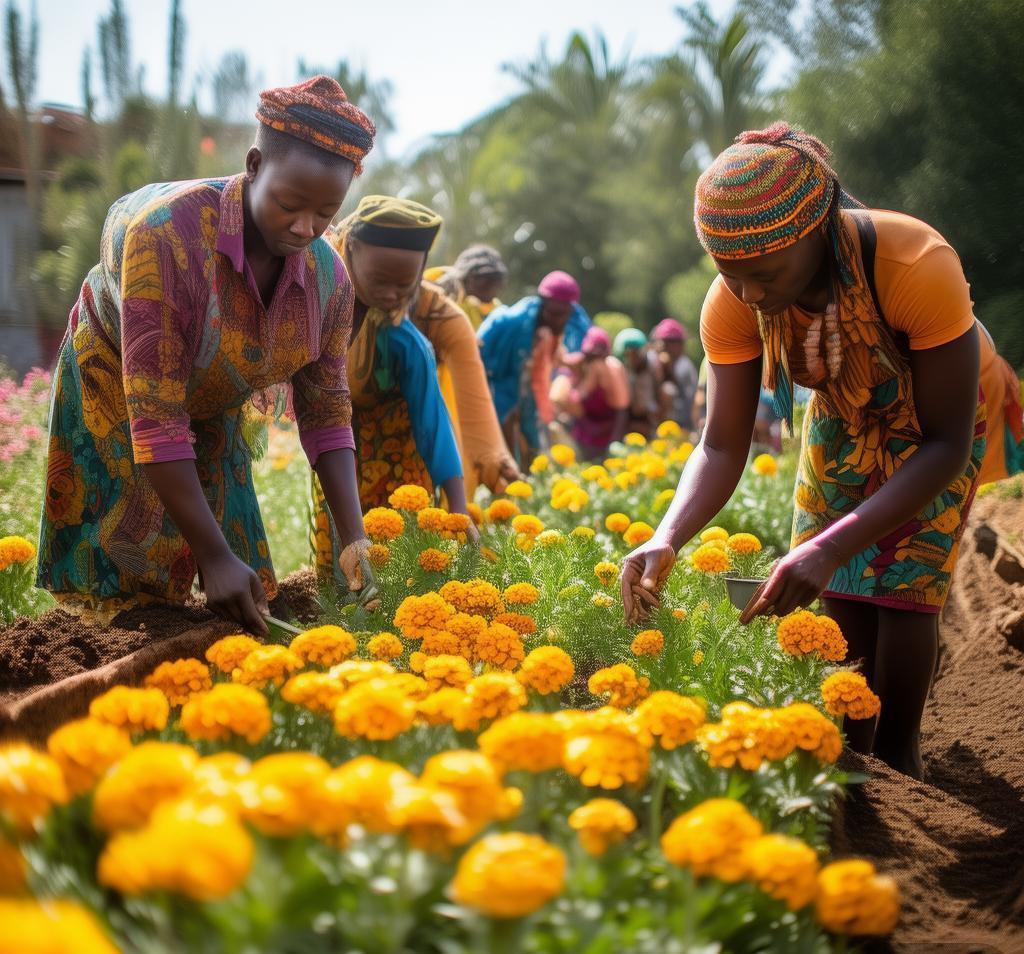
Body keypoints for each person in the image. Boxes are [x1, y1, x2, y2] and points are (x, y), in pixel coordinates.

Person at [621, 122, 1023, 779]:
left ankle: (898, 756)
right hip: (842, 408)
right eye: (731, 274)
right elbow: (720, 444)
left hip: (941, 415)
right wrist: (669, 534)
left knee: (903, 590)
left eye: (766, 273)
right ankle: (853, 755)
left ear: (816, 231)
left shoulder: (914, 262)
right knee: (837, 592)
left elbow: (946, 443)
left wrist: (832, 542)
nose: (750, 293)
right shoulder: (735, 301)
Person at [36, 76, 377, 635]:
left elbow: (328, 417)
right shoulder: (166, 238)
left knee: (248, 583)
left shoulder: (329, 280)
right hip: (119, 384)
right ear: (252, 165)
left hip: (217, 388)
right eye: (289, 205)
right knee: (130, 576)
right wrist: (213, 559)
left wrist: (354, 539)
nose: (304, 228)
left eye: (325, 214)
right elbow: (157, 419)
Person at [478, 270, 591, 462]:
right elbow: (478, 352)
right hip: (498, 392)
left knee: (534, 451)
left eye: (564, 315)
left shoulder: (570, 323)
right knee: (504, 451)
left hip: (531, 398)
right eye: (554, 313)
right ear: (542, 304)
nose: (559, 320)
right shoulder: (510, 322)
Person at [551, 326, 630, 460]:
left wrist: (613, 443)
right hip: (584, 432)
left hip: (606, 434)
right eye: (590, 356)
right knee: (561, 382)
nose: (594, 361)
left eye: (598, 356)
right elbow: (560, 361)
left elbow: (621, 408)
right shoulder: (582, 363)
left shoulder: (612, 367)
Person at [424, 244, 508, 330]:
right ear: (468, 278)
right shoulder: (435, 282)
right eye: (488, 280)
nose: (494, 287)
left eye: (497, 281)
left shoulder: (494, 308)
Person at [614, 327, 662, 438]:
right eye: (629, 354)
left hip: (647, 411)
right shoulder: (619, 369)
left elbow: (657, 391)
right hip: (627, 413)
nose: (633, 358)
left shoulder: (651, 365)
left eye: (636, 353)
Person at [652, 318, 699, 431]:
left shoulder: (683, 367)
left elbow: (689, 402)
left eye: (669, 342)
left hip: (682, 425)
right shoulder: (665, 364)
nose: (664, 346)